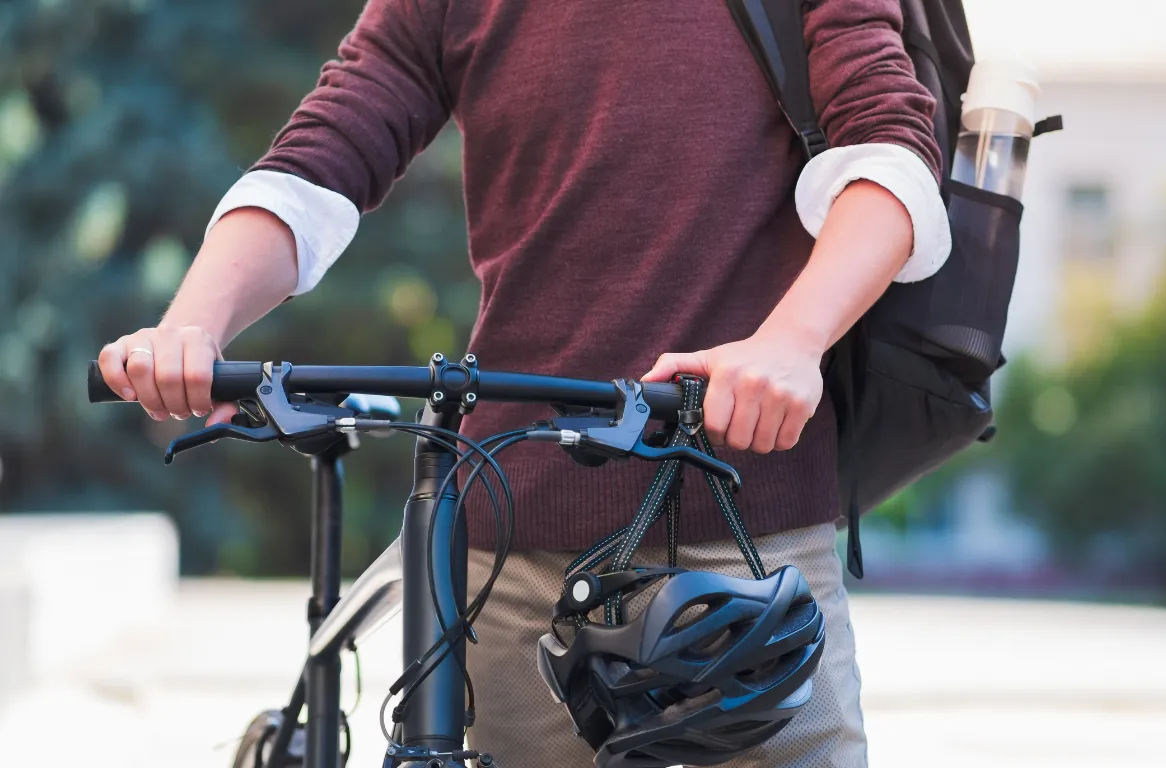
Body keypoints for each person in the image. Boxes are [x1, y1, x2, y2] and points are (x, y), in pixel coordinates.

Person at [97, 1, 949, 764]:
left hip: (743, 537)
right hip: (512, 538)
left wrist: (791, 342)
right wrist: (194, 327)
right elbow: (324, 155)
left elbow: (892, 147)